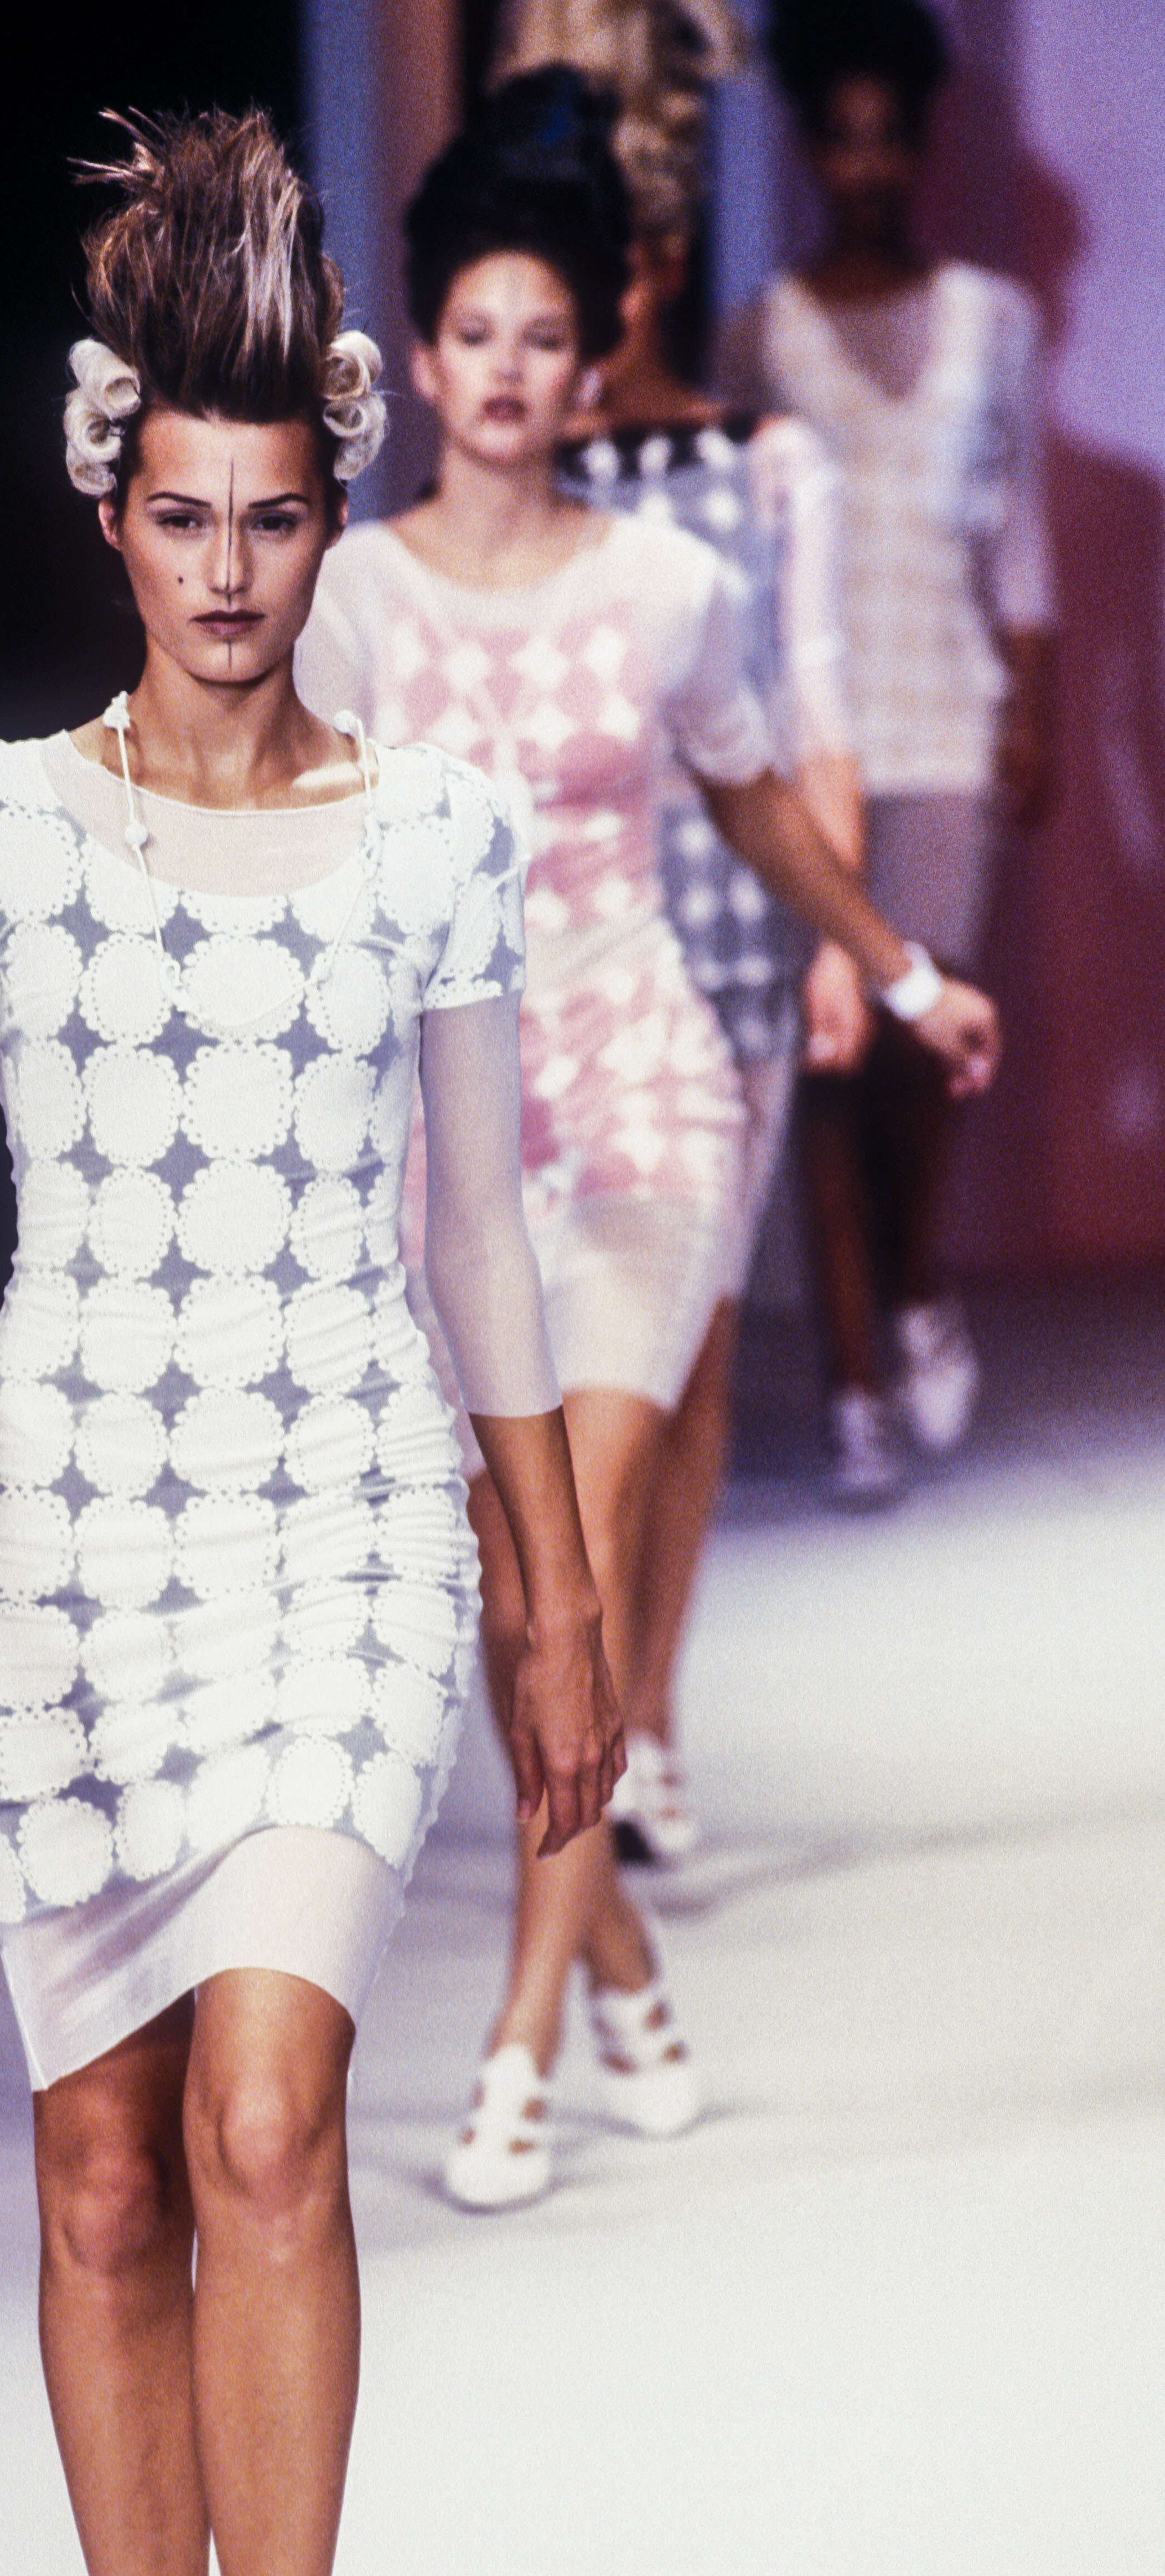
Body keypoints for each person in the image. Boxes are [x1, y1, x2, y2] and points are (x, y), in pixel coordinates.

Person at [0, 108, 622, 2576]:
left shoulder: (437, 838)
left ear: (328, 515)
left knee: (270, 2113)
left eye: (275, 518)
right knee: (101, 2174)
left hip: (342, 1518)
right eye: (184, 516)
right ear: (113, 515)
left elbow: (484, 1242)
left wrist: (556, 1601)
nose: (232, 569)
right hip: (56, 1542)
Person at [295, 68, 1000, 2209]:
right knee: (516, 1608)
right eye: (474, 334)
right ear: (425, 361)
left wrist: (900, 973)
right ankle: (619, 1970)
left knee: (574, 1569)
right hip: (445, 1137)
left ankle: (517, 2050)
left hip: (637, 1099)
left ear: (590, 356)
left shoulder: (668, 587)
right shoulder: (352, 601)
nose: (511, 370)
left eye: (545, 334)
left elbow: (758, 806)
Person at [505, 0, 870, 1855]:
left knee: (693, 1344)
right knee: (562, 1356)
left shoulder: (765, 466)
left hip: (722, 949)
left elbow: (814, 720)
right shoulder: (504, 479)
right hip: (537, 952)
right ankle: (583, 1683)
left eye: (624, 262)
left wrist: (845, 937)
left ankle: (647, 1718)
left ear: (660, 270)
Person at [721, 0, 1057, 1500]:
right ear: (807, 148)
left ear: (922, 147)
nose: (864, 165)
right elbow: (742, 555)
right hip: (808, 739)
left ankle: (917, 1279)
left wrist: (1037, 705)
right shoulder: (763, 334)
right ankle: (855, 1380)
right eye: (839, 139)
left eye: (888, 138)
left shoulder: (997, 319)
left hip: (946, 720)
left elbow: (1019, 529)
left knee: (925, 1044)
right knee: (831, 1055)